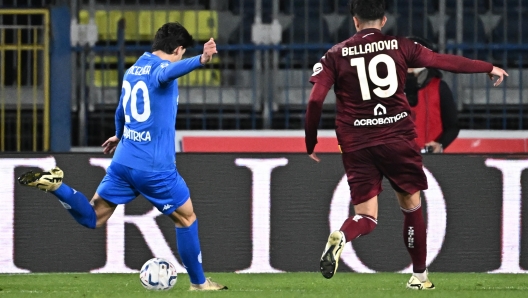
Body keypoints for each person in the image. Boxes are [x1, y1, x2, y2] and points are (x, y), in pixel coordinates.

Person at [305, 0, 507, 290]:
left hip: (356, 143)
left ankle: (343, 235)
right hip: (396, 137)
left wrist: (310, 141)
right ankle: (419, 277)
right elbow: (444, 61)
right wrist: (487, 67)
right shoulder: (401, 46)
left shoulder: (334, 55)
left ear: (354, 21)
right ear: (384, 20)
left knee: (366, 216)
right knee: (412, 207)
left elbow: (314, 100)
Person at [18, 22, 227, 291]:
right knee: (186, 219)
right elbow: (169, 71)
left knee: (93, 217)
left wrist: (119, 134)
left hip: (123, 162)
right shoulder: (159, 70)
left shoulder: (133, 70)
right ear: (178, 49)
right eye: (181, 53)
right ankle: (199, 284)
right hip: (154, 167)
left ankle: (58, 187)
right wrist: (200, 59)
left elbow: (120, 110)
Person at [405, 36, 460, 153]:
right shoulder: (387, 89)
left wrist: (440, 145)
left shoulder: (439, 87)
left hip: (430, 161)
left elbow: (452, 127)